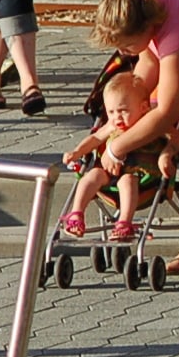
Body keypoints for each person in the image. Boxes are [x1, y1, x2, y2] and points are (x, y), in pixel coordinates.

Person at [90, 0, 179, 246]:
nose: (124, 53)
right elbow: (149, 63)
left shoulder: (177, 30)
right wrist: (129, 105)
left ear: (146, 29)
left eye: (126, 45)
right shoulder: (136, 0)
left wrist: (116, 147)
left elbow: (168, 109)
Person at [58, 70, 169, 243]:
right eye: (111, 112)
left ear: (143, 108)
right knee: (92, 175)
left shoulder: (149, 123)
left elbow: (177, 138)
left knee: (127, 180)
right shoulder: (112, 125)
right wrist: (78, 152)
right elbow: (95, 138)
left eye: (123, 111)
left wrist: (168, 152)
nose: (116, 117)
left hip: (142, 179)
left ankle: (124, 222)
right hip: (109, 174)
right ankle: (76, 213)